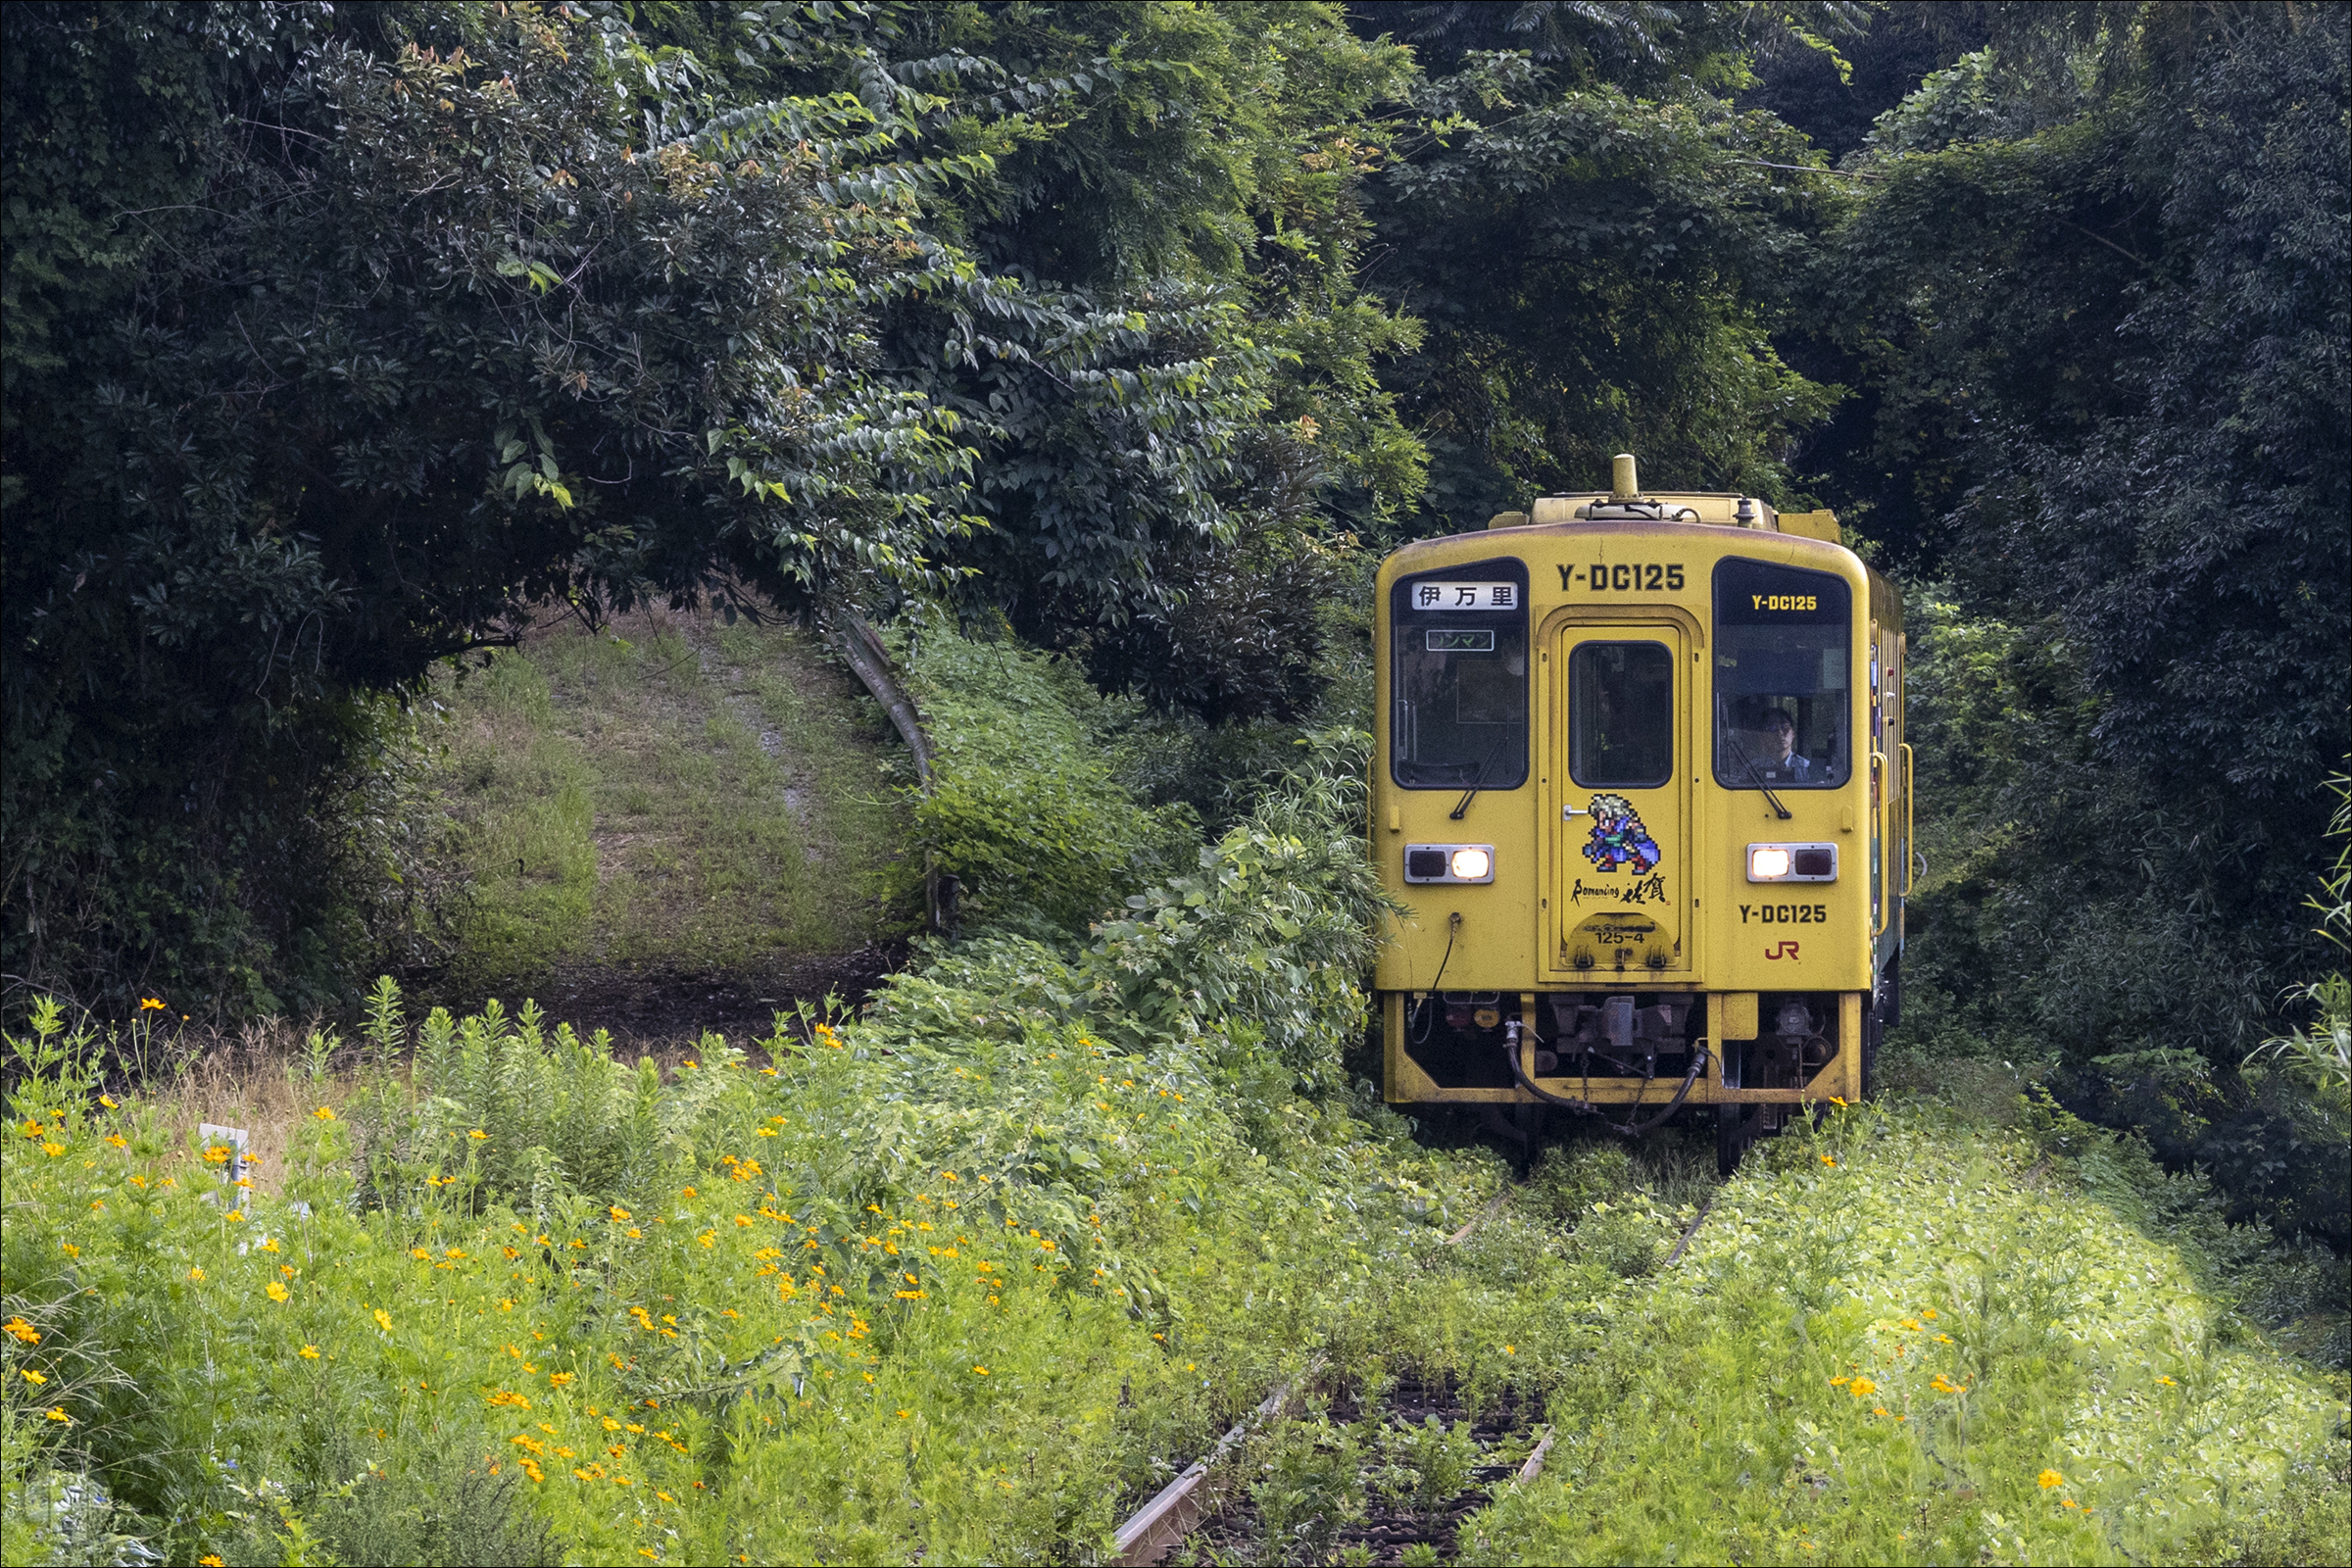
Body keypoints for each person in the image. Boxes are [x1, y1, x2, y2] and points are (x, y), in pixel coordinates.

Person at [1756, 709, 1812, 780]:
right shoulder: (1754, 768)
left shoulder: (1806, 768)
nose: (1780, 733)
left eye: (1784, 726)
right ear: (1764, 735)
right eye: (1772, 728)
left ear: (1793, 733)